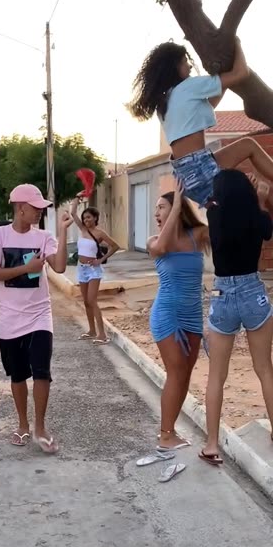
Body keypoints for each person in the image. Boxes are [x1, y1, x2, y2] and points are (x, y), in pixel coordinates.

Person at [128, 39, 273, 209]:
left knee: (244, 202)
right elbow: (241, 73)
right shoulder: (190, 86)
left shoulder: (165, 102)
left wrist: (224, 84)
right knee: (249, 147)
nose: (189, 66)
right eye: (185, 62)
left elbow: (208, 106)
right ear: (174, 67)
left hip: (186, 176)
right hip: (200, 168)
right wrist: (236, 42)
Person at [0, 184, 73, 453]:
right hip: (10, 319)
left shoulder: (44, 237)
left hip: (40, 316)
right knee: (18, 375)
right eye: (36, 208)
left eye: (41, 208)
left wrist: (63, 231)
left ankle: (40, 427)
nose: (39, 212)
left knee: (42, 371)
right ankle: (23, 424)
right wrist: (27, 268)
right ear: (21, 208)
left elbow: (59, 266)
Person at [201, 170, 273, 465]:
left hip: (223, 295)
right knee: (265, 369)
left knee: (216, 376)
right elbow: (267, 231)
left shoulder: (214, 216)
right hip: (252, 290)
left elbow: (212, 199)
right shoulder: (255, 216)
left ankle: (211, 445)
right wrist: (260, 198)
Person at [148, 178, 210, 451]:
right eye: (157, 209)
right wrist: (174, 210)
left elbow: (225, 229)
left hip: (193, 315)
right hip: (167, 313)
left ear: (179, 209)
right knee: (176, 372)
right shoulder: (155, 242)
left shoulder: (198, 235)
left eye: (161, 207)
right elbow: (162, 249)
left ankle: (170, 430)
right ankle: (165, 435)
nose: (157, 213)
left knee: (185, 374)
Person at [70, 196, 119, 343]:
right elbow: (73, 213)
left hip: (93, 270)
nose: (86, 220)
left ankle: (102, 335)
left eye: (89, 217)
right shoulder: (83, 229)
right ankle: (92, 331)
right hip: (81, 268)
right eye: (84, 218)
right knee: (86, 301)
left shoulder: (99, 233)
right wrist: (76, 199)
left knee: (92, 300)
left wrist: (101, 260)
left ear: (95, 218)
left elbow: (115, 246)